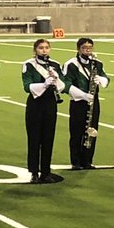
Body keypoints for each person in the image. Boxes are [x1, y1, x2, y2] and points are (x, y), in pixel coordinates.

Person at [21, 39, 66, 184]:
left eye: (47, 47)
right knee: (34, 139)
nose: (44, 50)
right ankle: (34, 172)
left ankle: (46, 172)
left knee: (48, 138)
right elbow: (27, 86)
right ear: (35, 50)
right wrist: (44, 84)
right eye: (41, 48)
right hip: (35, 104)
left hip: (50, 103)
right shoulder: (29, 64)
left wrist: (56, 79)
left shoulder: (55, 65)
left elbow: (62, 86)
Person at [62, 38, 110, 170]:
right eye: (84, 48)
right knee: (76, 131)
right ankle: (76, 161)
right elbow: (66, 84)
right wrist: (82, 95)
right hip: (78, 102)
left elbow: (106, 78)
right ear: (78, 49)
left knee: (92, 130)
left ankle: (87, 160)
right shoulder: (71, 64)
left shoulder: (97, 63)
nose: (87, 50)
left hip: (94, 101)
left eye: (90, 48)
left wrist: (101, 80)